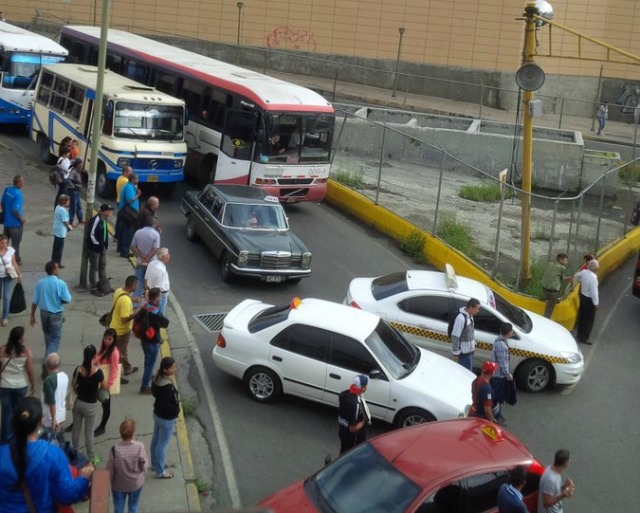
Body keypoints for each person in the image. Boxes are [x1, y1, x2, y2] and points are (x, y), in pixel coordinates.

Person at [0, 396, 92, 513]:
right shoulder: (53, 455)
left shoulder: (2, 453)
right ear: (40, 422)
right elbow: (67, 495)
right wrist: (83, 479)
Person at [71, 344, 106, 461]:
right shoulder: (98, 372)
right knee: (89, 432)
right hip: (90, 405)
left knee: (76, 428)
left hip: (78, 403)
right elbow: (104, 387)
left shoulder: (78, 369)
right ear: (94, 356)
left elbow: (73, 385)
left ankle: (75, 452)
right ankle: (92, 457)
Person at [0, 327, 35, 443]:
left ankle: (4, 440)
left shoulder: (3, 349)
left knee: (6, 413)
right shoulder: (26, 352)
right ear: (20, 338)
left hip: (4, 385)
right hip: (20, 386)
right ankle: (16, 438)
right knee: (18, 412)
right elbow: (29, 370)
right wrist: (32, 384)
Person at [30, 260, 72, 356]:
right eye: (57, 268)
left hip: (44, 314)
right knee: (54, 339)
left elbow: (34, 301)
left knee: (47, 336)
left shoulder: (40, 283)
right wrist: (59, 301)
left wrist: (32, 315)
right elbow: (67, 299)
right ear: (53, 270)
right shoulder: (60, 283)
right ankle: (48, 362)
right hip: (56, 314)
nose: (58, 269)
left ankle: (47, 355)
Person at [107, 418, 148, 513]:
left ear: (121, 434)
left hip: (119, 485)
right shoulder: (140, 447)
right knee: (133, 506)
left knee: (118, 508)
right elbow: (144, 466)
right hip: (136, 484)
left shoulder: (115, 450)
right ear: (133, 433)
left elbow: (110, 470)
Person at [151, 357, 180, 479]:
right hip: (166, 418)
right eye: (172, 368)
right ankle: (160, 471)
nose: (175, 369)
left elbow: (154, 394)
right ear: (165, 369)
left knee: (156, 440)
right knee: (162, 445)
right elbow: (168, 405)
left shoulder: (156, 379)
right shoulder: (166, 387)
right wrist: (176, 410)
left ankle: (155, 464)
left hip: (157, 414)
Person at [137, 288, 169, 395]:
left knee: (147, 360)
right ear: (157, 297)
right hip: (153, 341)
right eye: (160, 296)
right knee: (150, 364)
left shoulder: (145, 307)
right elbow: (165, 323)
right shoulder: (155, 312)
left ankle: (148, 375)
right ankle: (144, 386)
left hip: (144, 340)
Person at [109, 275, 139, 380]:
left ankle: (127, 368)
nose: (137, 287)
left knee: (122, 351)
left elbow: (122, 297)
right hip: (122, 331)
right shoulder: (126, 301)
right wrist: (137, 313)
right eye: (137, 285)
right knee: (120, 353)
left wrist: (132, 298)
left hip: (114, 327)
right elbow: (124, 319)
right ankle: (116, 377)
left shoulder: (119, 291)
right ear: (133, 285)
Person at [93, 328, 121, 437]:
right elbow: (97, 358)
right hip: (97, 380)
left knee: (106, 406)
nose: (107, 341)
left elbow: (114, 370)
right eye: (105, 338)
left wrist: (107, 386)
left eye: (110, 339)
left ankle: (102, 426)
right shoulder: (104, 347)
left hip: (105, 384)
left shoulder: (114, 352)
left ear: (114, 340)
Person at [337, 374, 371, 455]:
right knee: (348, 456)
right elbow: (352, 428)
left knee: (343, 453)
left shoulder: (344, 394)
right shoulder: (356, 405)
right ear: (363, 388)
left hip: (342, 431)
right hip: (351, 438)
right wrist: (364, 421)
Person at [131, 217, 161, 306]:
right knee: (151, 283)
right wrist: (148, 258)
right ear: (154, 224)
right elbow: (156, 249)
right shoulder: (156, 234)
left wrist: (142, 256)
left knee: (139, 282)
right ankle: (151, 303)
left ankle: (135, 303)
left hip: (140, 262)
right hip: (151, 263)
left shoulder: (138, 232)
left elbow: (132, 246)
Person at [87, 203, 114, 296]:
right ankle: (93, 287)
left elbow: (105, 233)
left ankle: (104, 285)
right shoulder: (96, 220)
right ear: (103, 211)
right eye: (109, 210)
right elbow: (91, 234)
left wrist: (105, 244)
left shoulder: (104, 220)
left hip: (102, 247)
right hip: (95, 248)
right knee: (94, 267)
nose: (110, 212)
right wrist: (98, 244)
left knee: (102, 265)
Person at [537, 449, 575, 513]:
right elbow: (546, 503)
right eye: (569, 460)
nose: (570, 461)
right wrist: (564, 495)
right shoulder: (550, 480)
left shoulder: (552, 470)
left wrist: (564, 486)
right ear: (565, 463)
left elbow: (554, 492)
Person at [491, 322, 514, 427]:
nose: (512, 333)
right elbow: (502, 362)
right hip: (499, 375)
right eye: (511, 331)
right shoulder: (502, 345)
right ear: (508, 333)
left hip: (497, 374)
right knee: (496, 396)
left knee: (497, 396)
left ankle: (497, 414)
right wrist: (508, 375)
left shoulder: (500, 340)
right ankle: (496, 416)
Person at [41, 352, 69, 433]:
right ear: (59, 364)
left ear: (46, 365)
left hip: (51, 419)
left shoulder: (48, 381)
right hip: (61, 414)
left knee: (50, 440)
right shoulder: (64, 376)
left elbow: (51, 402)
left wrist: (53, 419)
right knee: (58, 437)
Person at [573, 259, 599, 344]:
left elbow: (576, 276)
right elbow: (594, 292)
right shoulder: (593, 278)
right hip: (589, 300)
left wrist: (581, 281)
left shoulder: (584, 272)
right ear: (596, 269)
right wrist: (596, 304)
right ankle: (584, 337)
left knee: (582, 317)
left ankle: (579, 335)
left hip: (583, 297)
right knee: (589, 320)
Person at [1, 174, 26, 264]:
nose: (24, 183)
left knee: (4, 242)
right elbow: (15, 210)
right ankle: (16, 259)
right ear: (18, 183)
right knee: (15, 244)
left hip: (7, 222)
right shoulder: (18, 194)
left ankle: (2, 257)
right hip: (15, 224)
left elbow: (2, 202)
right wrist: (21, 219)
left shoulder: (8, 190)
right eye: (22, 181)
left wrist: (5, 213)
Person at [450, 298, 480, 371]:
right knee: (466, 373)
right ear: (470, 307)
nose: (478, 311)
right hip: (463, 353)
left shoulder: (470, 316)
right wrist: (456, 353)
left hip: (468, 351)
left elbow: (470, 333)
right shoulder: (461, 319)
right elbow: (455, 336)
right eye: (477, 309)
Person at [540, 253, 571, 319]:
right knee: (550, 308)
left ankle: (545, 297)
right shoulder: (562, 268)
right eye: (565, 260)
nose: (567, 262)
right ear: (560, 260)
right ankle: (545, 319)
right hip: (552, 292)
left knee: (551, 283)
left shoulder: (550, 263)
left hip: (544, 287)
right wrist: (569, 278)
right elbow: (563, 278)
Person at [117, 173, 141, 258]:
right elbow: (130, 200)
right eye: (137, 178)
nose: (138, 180)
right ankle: (124, 250)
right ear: (133, 179)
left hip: (127, 213)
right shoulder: (129, 187)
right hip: (129, 214)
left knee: (124, 231)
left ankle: (121, 248)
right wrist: (138, 195)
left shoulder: (130, 186)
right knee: (127, 233)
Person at [0, 234, 21, 326]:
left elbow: (14, 262)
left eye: (5, 242)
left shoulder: (10, 250)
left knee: (6, 298)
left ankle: (5, 317)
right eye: (2, 243)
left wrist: (19, 274)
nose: (4, 244)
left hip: (8, 276)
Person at [145, 247, 171, 315]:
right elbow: (158, 288)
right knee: (159, 315)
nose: (169, 256)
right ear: (164, 257)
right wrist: (157, 301)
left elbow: (146, 278)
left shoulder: (152, 263)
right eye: (168, 254)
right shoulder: (161, 270)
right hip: (160, 295)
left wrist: (147, 291)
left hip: (151, 291)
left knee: (150, 312)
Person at [51, 194, 73, 269]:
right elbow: (65, 222)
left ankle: (53, 261)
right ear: (64, 202)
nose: (69, 202)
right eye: (68, 201)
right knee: (59, 248)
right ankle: (58, 262)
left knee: (55, 246)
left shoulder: (57, 207)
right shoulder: (63, 210)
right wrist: (69, 227)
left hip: (56, 229)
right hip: (61, 231)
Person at [115, 166, 133, 242]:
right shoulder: (126, 181)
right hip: (123, 203)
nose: (131, 173)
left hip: (119, 200)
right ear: (125, 172)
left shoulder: (120, 178)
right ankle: (118, 236)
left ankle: (116, 235)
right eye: (130, 172)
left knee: (119, 220)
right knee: (122, 221)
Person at [66, 159, 84, 227]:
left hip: (77, 191)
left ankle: (80, 219)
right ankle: (70, 221)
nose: (82, 166)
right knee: (73, 206)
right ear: (77, 165)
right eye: (81, 165)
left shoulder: (78, 171)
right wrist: (73, 187)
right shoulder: (73, 172)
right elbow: (69, 180)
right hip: (73, 192)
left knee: (78, 205)